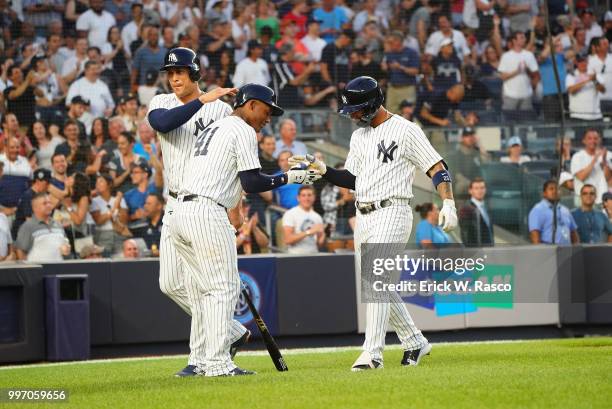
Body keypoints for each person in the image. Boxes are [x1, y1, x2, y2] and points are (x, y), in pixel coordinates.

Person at [290, 76, 457, 370]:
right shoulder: (359, 136)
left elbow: (437, 167)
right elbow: (351, 179)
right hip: (364, 214)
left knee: (377, 281)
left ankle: (372, 354)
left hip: (393, 209)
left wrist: (449, 202)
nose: (352, 115)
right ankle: (414, 341)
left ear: (372, 105)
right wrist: (324, 169)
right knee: (374, 283)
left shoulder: (406, 130)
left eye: (355, 109)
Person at [171, 83, 320, 377]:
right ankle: (218, 364)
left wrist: (236, 207)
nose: (269, 118)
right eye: (267, 110)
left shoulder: (215, 127)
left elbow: (228, 177)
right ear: (251, 104)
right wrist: (290, 177)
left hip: (180, 212)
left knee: (204, 292)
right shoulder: (241, 129)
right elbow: (252, 182)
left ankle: (199, 361)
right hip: (205, 212)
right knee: (223, 289)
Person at [146, 47, 249, 377]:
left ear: (195, 74)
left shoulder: (221, 110)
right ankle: (230, 330)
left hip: (206, 203)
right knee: (171, 283)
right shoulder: (162, 102)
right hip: (173, 204)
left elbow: (234, 157)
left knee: (199, 287)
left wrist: (236, 204)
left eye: (181, 72)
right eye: (170, 73)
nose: (174, 78)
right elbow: (163, 123)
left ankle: (200, 358)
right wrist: (202, 101)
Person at [15, 192, 71, 261]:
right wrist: (27, 270)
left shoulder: (58, 224)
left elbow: (65, 243)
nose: (48, 205)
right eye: (44, 203)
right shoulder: (27, 226)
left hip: (59, 269)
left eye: (49, 202)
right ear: (35, 208)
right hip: (38, 270)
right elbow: (20, 251)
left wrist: (67, 249)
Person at [498, 31, 539, 112]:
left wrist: (527, 69)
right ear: (514, 40)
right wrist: (517, 71)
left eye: (524, 37)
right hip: (510, 95)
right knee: (509, 121)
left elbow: (535, 74)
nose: (524, 39)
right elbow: (502, 76)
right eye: (521, 37)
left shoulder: (529, 55)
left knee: (526, 122)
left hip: (526, 95)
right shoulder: (506, 56)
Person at [528, 179, 578, 245]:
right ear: (544, 193)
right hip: (549, 253)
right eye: (551, 189)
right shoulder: (538, 210)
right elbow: (535, 236)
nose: (555, 191)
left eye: (557, 189)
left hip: (568, 252)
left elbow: (573, 233)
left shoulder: (565, 210)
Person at [90, 173, 129, 256]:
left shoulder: (119, 199)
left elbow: (123, 220)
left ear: (109, 184)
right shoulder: (94, 201)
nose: (97, 184)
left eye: (101, 181)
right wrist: (115, 208)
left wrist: (117, 205)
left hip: (119, 234)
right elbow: (99, 220)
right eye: (96, 182)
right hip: (102, 235)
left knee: (121, 260)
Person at [570, 129, 611, 206]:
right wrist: (595, 159)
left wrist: (605, 162)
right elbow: (581, 177)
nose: (593, 141)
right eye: (589, 138)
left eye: (595, 138)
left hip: (602, 200)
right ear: (584, 141)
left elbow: (609, 179)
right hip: (583, 201)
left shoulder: (608, 155)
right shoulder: (577, 157)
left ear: (599, 140)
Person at [381, 31, 420, 112]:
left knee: (407, 114)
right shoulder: (389, 54)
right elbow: (388, 72)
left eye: (391, 42)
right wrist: (385, 68)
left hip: (407, 88)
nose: (389, 44)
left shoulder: (411, 53)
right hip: (392, 89)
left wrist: (400, 67)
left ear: (398, 41)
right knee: (390, 115)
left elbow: (415, 71)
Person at [282, 185, 325, 253]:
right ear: (298, 198)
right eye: (303, 195)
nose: (307, 198)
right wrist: (309, 232)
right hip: (296, 256)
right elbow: (288, 240)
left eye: (309, 195)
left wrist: (323, 235)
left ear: (314, 197)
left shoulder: (317, 217)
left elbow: (319, 244)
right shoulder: (290, 214)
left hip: (314, 256)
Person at [567, 53, 606, 121]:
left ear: (588, 62)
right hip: (577, 115)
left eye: (584, 61)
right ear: (576, 63)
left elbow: (603, 90)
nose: (583, 63)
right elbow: (571, 90)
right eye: (580, 62)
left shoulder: (595, 75)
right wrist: (588, 80)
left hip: (595, 115)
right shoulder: (571, 76)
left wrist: (595, 80)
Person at [459, 177, 494, 247]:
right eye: (476, 188)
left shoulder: (486, 207)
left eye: (482, 188)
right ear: (470, 191)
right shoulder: (466, 209)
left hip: (489, 251)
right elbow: (466, 236)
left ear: (485, 190)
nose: (480, 191)